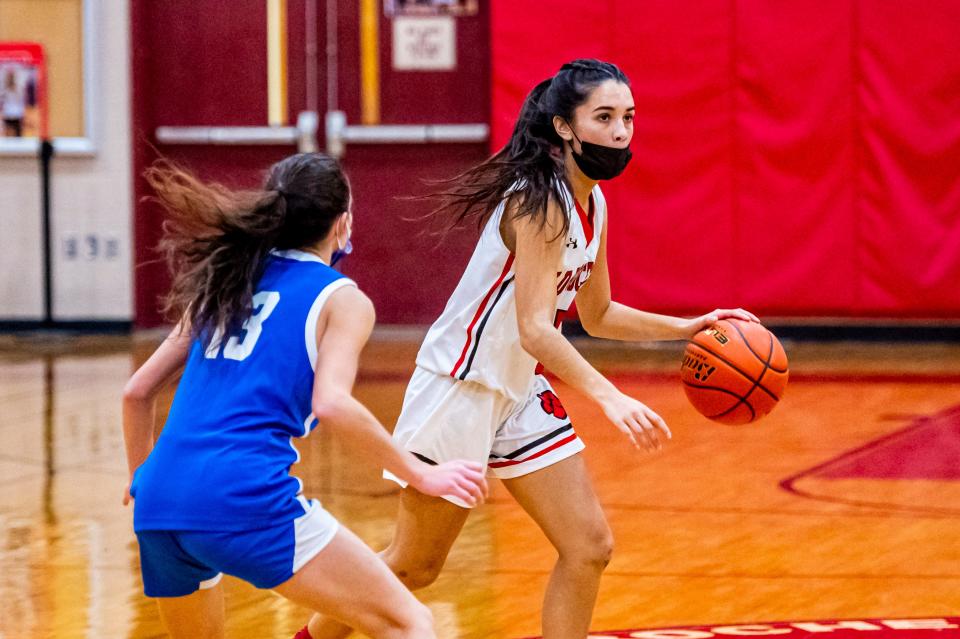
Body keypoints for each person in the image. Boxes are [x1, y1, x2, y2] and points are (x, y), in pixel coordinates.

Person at [305, 59, 759, 639]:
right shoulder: (540, 200)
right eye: (604, 117)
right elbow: (537, 329)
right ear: (566, 128)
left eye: (629, 118)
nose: (621, 131)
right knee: (415, 565)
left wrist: (689, 326)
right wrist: (609, 396)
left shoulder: (593, 203)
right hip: (459, 385)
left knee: (589, 547)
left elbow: (597, 315)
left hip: (517, 391)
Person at [122, 153, 488, 639]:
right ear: (343, 223)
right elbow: (331, 403)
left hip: (158, 500)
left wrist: (138, 476)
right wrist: (419, 473)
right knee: (410, 623)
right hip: (242, 494)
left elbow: (136, 391)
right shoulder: (341, 298)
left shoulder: (224, 282)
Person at [1, 69, 25, 137]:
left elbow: (21, 100)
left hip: (16, 113)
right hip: (8, 113)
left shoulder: (18, 89)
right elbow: (3, 100)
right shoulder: (5, 89)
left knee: (18, 132)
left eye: (11, 77)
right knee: (8, 131)